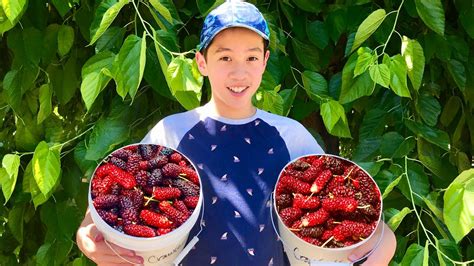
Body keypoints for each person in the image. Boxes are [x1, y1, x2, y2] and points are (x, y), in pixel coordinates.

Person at [76, 1, 397, 265]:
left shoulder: (291, 137)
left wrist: (378, 249)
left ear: (265, 63)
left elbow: (363, 221)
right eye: (225, 57)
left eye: (251, 58)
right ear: (202, 62)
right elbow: (103, 211)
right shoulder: (171, 134)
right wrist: (88, 240)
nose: (239, 71)